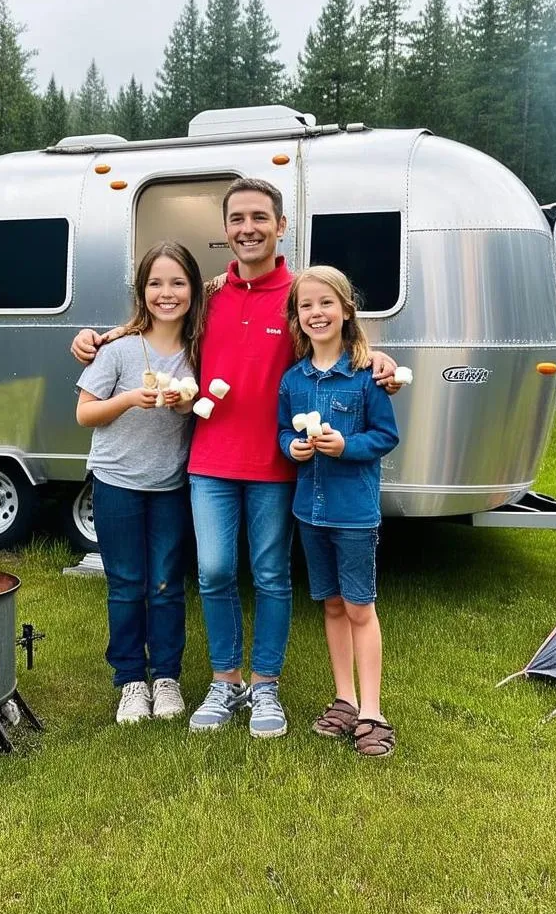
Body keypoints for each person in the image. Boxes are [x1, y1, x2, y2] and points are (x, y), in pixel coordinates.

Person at [72, 178, 400, 738]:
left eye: (259, 218)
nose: (248, 228)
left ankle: (265, 686)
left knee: (272, 576)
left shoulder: (300, 293)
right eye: (237, 219)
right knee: (215, 571)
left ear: (280, 226)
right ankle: (225, 680)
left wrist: (379, 358)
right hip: (207, 463)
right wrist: (100, 339)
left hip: (275, 465)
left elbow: (336, 335)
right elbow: (158, 320)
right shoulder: (210, 295)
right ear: (225, 231)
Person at [75, 241, 204, 725]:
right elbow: (85, 412)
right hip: (118, 483)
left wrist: (187, 403)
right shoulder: (118, 349)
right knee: (127, 584)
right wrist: (130, 398)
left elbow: (204, 404)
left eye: (177, 283)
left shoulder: (198, 350)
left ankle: (166, 677)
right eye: (155, 283)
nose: (166, 293)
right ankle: (130, 680)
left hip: (171, 484)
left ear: (192, 289)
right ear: (141, 290)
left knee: (167, 585)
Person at [278, 265, 400, 756]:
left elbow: (385, 437)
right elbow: (282, 432)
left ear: (346, 310)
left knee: (358, 605)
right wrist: (293, 448)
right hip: (310, 510)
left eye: (326, 303)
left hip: (353, 513)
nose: (316, 313)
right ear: (297, 318)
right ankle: (344, 698)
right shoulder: (294, 379)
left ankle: (373, 710)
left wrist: (346, 444)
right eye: (306, 305)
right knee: (330, 604)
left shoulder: (366, 375)